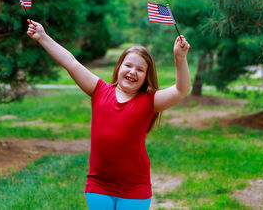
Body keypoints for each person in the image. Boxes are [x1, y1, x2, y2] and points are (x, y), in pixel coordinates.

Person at [26, 19, 191, 210]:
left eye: (140, 69)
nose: (132, 72)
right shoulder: (99, 91)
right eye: (128, 65)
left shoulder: (149, 101)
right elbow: (70, 62)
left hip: (134, 188)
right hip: (99, 185)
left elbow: (181, 90)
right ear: (119, 66)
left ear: (146, 76)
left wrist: (180, 58)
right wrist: (42, 37)